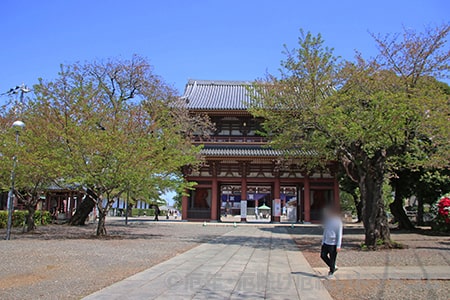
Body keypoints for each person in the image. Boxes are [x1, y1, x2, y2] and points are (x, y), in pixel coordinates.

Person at [320, 205, 343, 278]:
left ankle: (331, 271)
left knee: (332, 258)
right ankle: (333, 266)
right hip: (326, 242)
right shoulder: (327, 220)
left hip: (333, 243)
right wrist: (323, 241)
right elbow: (325, 231)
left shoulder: (338, 221)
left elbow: (339, 234)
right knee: (323, 255)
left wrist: (338, 245)